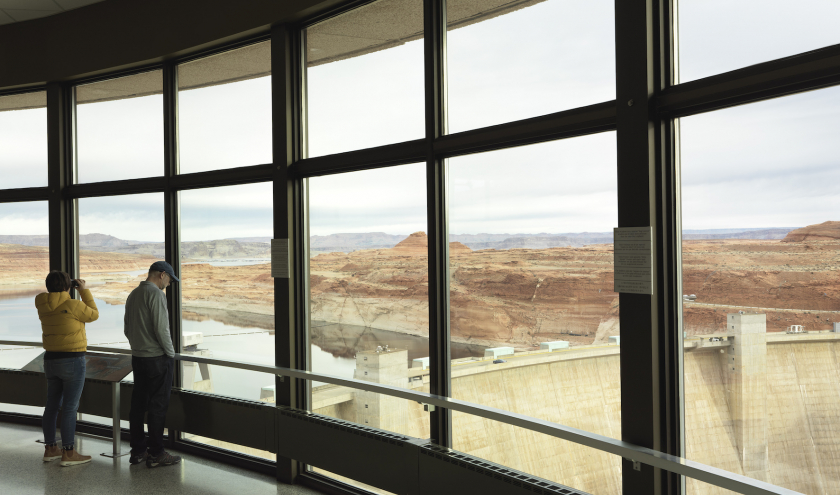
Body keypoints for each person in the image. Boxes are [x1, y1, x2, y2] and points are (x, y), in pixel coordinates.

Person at [35, 270, 99, 467]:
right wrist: (84, 291)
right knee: (70, 408)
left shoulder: (41, 302)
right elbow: (94, 315)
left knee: (52, 405)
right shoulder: (72, 304)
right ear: (68, 286)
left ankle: (50, 448)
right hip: (72, 359)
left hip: (50, 360)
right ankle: (69, 453)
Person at [124, 261, 182, 468]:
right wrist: (170, 354)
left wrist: (138, 348)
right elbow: (162, 329)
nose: (168, 284)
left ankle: (138, 451)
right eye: (169, 279)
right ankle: (157, 453)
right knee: (158, 407)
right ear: (161, 275)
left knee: (138, 407)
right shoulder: (156, 294)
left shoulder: (133, 294)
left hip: (138, 358)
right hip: (157, 359)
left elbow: (127, 328)